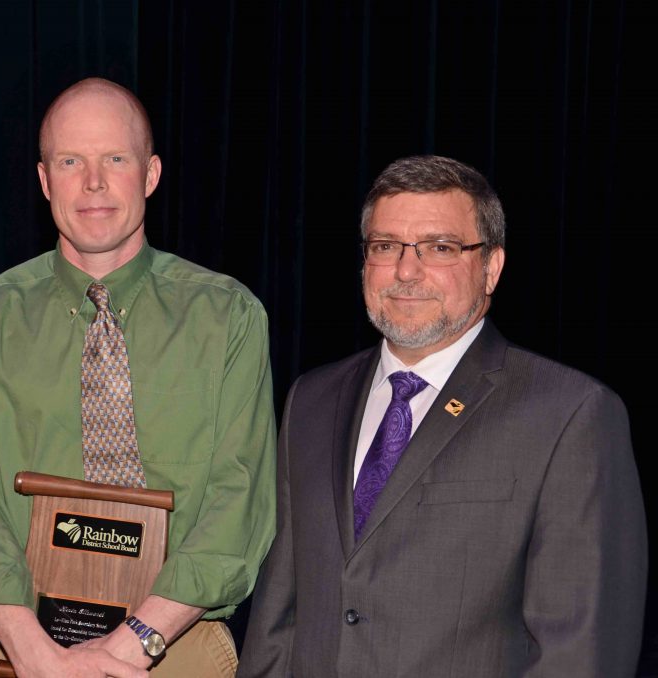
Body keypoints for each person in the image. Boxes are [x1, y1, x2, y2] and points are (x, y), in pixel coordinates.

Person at [238, 155, 647, 677]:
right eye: (386, 247)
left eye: (439, 248)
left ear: (491, 267)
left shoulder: (570, 414)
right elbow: (278, 618)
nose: (407, 271)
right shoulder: (312, 401)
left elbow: (581, 653)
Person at [0, 77, 276, 677]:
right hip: (23, 653)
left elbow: (238, 505)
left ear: (150, 174)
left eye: (115, 159)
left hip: (174, 649)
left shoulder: (228, 318)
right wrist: (38, 657)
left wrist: (131, 643)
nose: (93, 183)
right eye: (71, 161)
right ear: (44, 181)